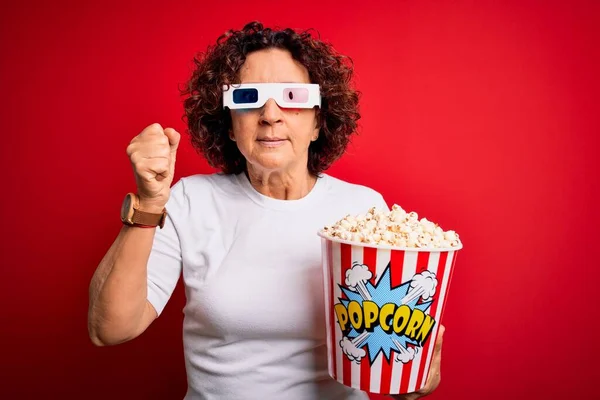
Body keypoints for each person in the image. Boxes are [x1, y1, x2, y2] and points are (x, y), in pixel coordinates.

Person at [88, 21, 445, 400]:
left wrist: (410, 379)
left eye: (292, 96)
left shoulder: (364, 211)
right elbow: (110, 329)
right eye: (248, 97)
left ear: (317, 122)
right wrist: (148, 203)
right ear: (229, 125)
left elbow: (388, 343)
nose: (271, 114)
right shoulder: (190, 201)